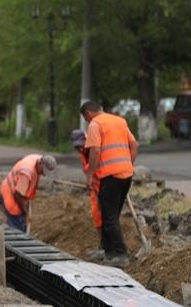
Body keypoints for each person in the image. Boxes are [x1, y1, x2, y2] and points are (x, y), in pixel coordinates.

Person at [80, 101, 138, 268]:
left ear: (88, 115)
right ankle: (107, 250)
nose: (87, 121)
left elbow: (95, 151)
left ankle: (120, 254)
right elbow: (134, 145)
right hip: (126, 175)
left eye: (86, 119)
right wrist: (128, 164)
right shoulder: (119, 121)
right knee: (110, 215)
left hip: (110, 177)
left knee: (109, 217)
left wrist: (90, 175)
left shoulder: (95, 124)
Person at [0, 154, 57, 232]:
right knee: (16, 228)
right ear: (40, 163)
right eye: (43, 170)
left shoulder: (38, 158)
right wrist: (25, 212)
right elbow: (18, 194)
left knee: (21, 223)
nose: (43, 174)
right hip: (11, 195)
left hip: (18, 191)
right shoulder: (26, 174)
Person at [70, 128, 103, 260]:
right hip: (95, 189)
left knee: (107, 218)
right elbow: (89, 172)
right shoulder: (82, 154)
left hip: (104, 188)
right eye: (77, 146)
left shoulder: (95, 149)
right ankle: (102, 247)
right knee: (97, 217)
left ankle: (108, 248)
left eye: (82, 144)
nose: (80, 147)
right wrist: (89, 182)